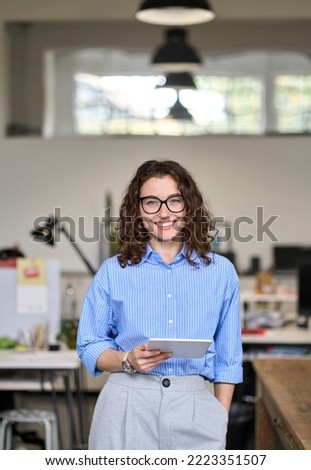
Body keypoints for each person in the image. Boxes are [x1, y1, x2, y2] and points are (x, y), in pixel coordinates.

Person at [77, 159, 243, 450]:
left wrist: (219, 417)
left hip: (195, 407)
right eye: (151, 202)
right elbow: (89, 344)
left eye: (174, 201)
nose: (164, 212)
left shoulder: (221, 272)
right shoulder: (113, 271)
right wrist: (127, 359)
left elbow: (228, 360)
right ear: (137, 210)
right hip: (125, 406)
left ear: (188, 207)